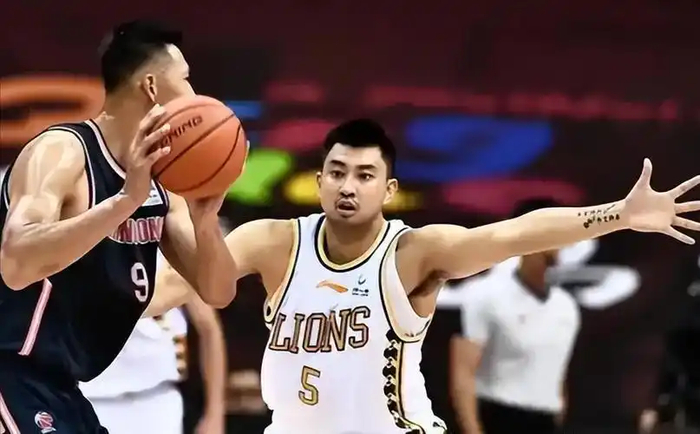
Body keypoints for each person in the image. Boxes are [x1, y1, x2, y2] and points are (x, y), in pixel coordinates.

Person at [163, 118, 700, 433]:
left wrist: (618, 214)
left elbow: (516, 233)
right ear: (319, 179)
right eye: (338, 172)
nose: (348, 186)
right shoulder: (273, 241)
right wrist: (199, 220)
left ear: (389, 190)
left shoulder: (413, 252)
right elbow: (209, 287)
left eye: (365, 175)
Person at [0, 20, 235, 434]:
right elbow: (15, 264)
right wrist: (124, 201)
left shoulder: (163, 185)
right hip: (10, 371)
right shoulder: (62, 152)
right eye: (185, 79)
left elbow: (218, 291)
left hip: (63, 386)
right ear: (151, 86)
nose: (194, 93)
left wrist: (204, 223)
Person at [450, 198, 581, 434]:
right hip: (497, 416)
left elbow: (558, 374)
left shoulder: (567, 307)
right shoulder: (486, 295)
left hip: (545, 420)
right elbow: (463, 372)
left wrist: (557, 412)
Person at [80, 254, 227, 434]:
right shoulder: (74, 249)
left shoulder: (169, 251)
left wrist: (215, 413)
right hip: (90, 400)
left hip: (157, 400)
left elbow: (209, 328)